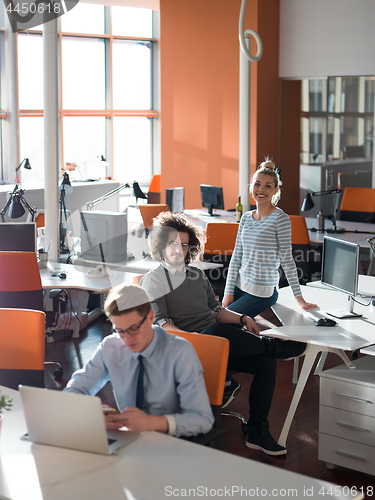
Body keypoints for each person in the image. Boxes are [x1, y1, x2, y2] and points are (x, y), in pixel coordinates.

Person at [140, 211, 307, 456]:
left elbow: (216, 310)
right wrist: (196, 341)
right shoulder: (154, 280)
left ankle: (257, 430)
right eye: (173, 243)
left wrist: (243, 318)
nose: (179, 249)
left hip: (216, 345)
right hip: (186, 349)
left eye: (184, 245)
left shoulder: (196, 275)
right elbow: (163, 325)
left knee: (265, 363)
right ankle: (275, 346)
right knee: (220, 331)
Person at [64, 283, 214, 438]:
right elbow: (73, 391)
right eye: (120, 331)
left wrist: (151, 423)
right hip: (129, 438)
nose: (127, 339)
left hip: (171, 441)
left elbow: (202, 419)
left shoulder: (180, 351)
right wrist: (93, 413)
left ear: (150, 317)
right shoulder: (110, 347)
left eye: (134, 328)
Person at [222, 158, 317, 317]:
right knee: (216, 320)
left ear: (275, 191)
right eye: (257, 184)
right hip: (239, 286)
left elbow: (287, 260)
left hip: (262, 292)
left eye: (268, 186)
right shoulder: (245, 217)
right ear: (251, 186)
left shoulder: (280, 219)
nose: (261, 189)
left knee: (222, 322)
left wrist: (299, 298)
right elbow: (237, 256)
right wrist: (228, 291)